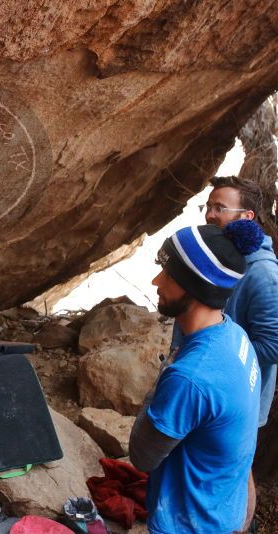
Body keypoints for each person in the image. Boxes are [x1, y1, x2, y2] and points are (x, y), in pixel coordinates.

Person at [129, 220, 263, 533]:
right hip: (223, 509)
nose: (155, 280)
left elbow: (142, 456)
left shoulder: (190, 377)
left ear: (197, 287)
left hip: (188, 524)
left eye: (170, 274)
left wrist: (166, 373)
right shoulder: (236, 337)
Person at [172, 176, 278, 527]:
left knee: (237, 471)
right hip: (207, 387)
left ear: (246, 217)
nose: (210, 214)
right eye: (208, 206)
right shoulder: (226, 257)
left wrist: (222, 354)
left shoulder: (262, 273)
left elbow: (274, 343)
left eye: (220, 208)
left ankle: (237, 525)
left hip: (240, 393)